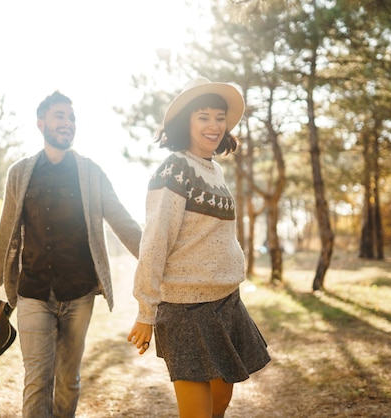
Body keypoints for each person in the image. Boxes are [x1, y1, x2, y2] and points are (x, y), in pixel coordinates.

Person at [0, 90, 142, 418]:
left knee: (68, 381)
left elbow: (122, 220)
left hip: (79, 293)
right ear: (41, 123)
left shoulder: (90, 173)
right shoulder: (20, 173)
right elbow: (5, 230)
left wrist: (155, 261)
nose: (67, 123)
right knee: (38, 380)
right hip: (33, 292)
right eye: (59, 116)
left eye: (71, 118)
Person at [127, 77, 270, 418]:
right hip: (186, 311)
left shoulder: (214, 171)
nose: (214, 125)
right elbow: (155, 242)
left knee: (219, 405)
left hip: (226, 303)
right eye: (203, 116)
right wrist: (146, 312)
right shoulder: (174, 169)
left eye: (219, 117)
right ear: (186, 122)